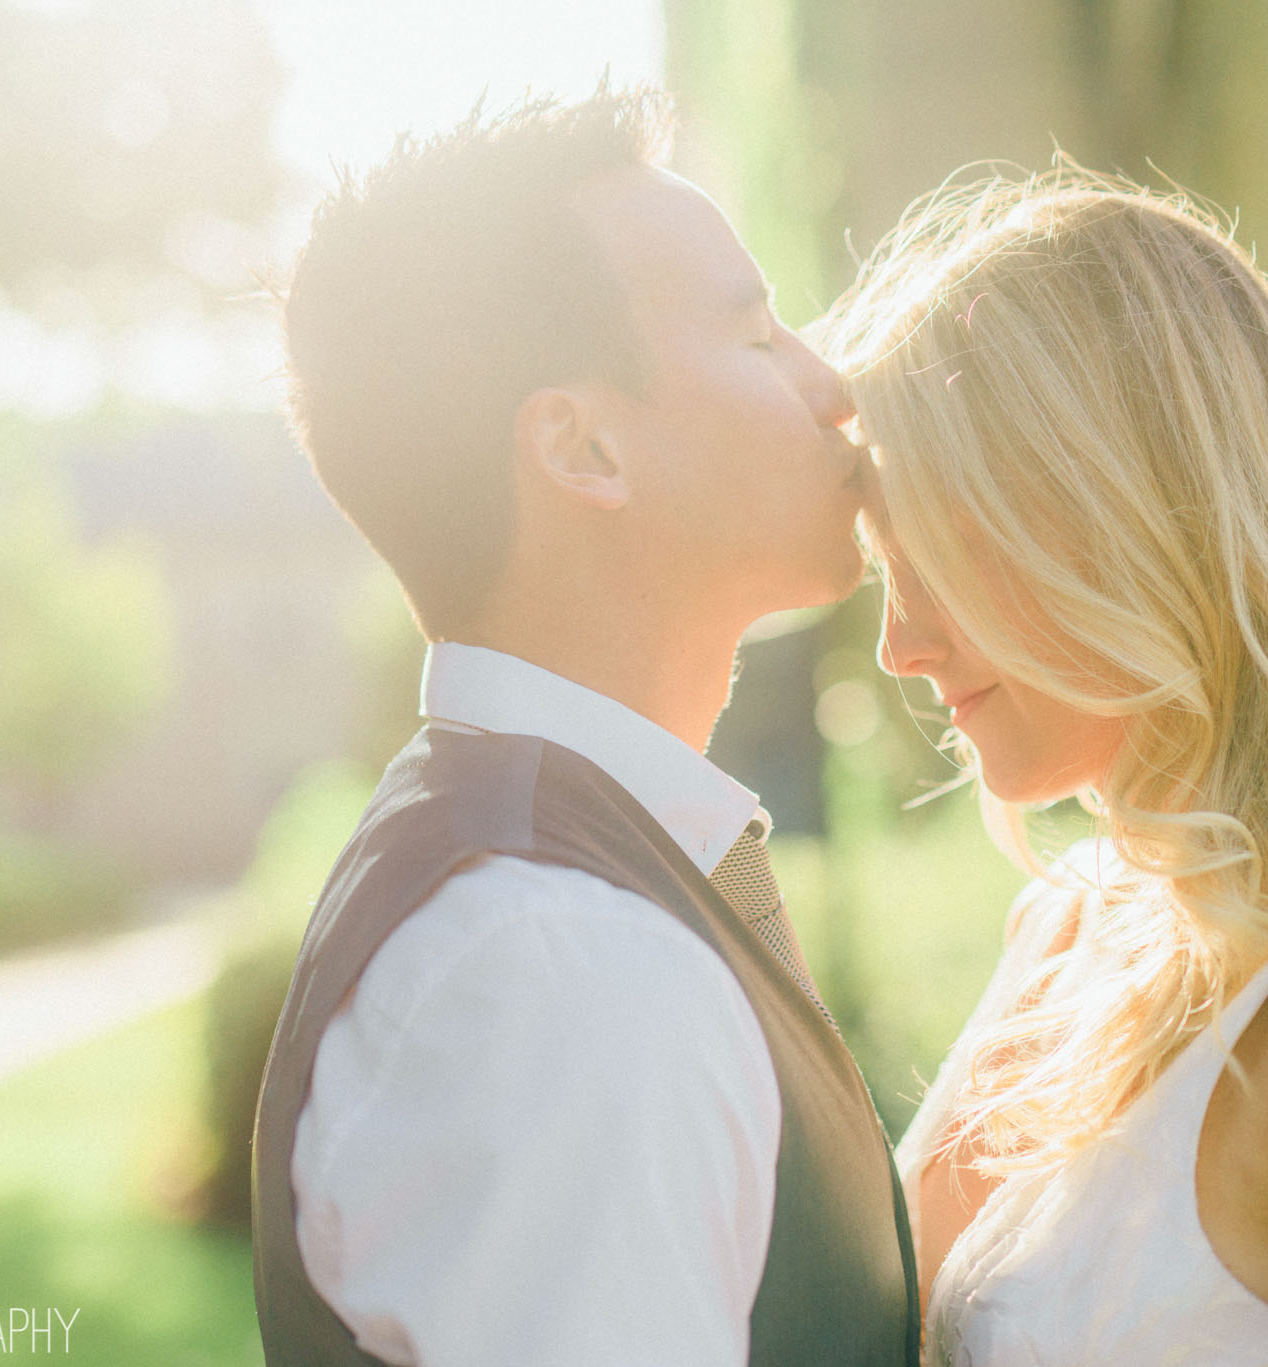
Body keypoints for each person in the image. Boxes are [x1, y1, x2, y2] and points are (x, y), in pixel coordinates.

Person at [811, 167, 1268, 1366]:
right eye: (886, 560)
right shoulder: (1060, 924)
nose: (901, 641)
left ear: (1133, 521)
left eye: (937, 550)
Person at [250, 86, 920, 1367]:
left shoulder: (551, 883)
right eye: (757, 334)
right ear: (584, 447)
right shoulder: (559, 963)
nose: (831, 385)